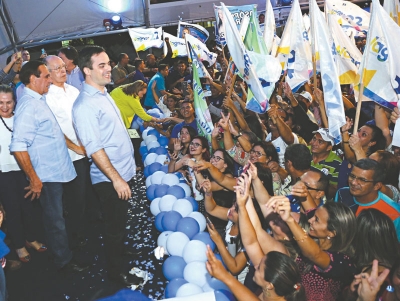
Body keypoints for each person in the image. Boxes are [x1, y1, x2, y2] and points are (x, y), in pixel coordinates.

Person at [10, 61, 87, 272]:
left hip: (55, 171)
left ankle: (64, 253)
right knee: (55, 221)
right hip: (46, 176)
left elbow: (51, 132)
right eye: (46, 76)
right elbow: (18, 146)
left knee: (58, 218)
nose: (50, 80)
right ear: (33, 79)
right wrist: (34, 179)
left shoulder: (38, 99)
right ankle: (63, 261)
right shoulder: (28, 105)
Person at [72, 46, 140, 286]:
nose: (108, 68)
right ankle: (115, 274)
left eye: (108, 63)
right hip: (110, 179)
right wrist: (116, 179)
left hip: (122, 172)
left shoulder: (103, 93)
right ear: (86, 71)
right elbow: (94, 148)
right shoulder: (84, 106)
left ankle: (121, 253)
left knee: (119, 224)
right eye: (101, 65)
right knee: (113, 229)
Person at [267, 195, 357, 301]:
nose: (310, 220)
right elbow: (308, 205)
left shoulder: (342, 260)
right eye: (314, 216)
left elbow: (315, 255)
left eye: (316, 220)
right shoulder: (313, 236)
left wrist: (290, 220)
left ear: (331, 233)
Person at [44, 55, 89, 249]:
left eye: (63, 67)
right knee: (62, 204)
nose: (63, 71)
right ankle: (67, 241)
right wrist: (76, 147)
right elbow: (55, 130)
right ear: (47, 73)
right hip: (62, 157)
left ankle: (80, 233)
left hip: (81, 154)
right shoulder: (46, 96)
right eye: (57, 68)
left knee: (80, 197)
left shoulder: (73, 90)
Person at [0, 84, 46, 262]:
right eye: (1, 102)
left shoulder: (21, 118)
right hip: (4, 173)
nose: (5, 106)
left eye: (9, 102)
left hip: (24, 170)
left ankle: (31, 238)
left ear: (15, 102)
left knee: (30, 207)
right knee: (12, 210)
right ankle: (19, 245)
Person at [206, 247, 306, 301]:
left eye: (259, 269)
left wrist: (224, 276)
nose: (255, 266)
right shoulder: (271, 290)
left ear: (269, 285)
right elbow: (251, 242)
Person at [335, 158, 400, 240]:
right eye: (352, 176)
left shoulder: (394, 212)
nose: (353, 182)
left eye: (362, 180)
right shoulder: (342, 193)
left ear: (377, 185)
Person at [309, 128, 342, 198]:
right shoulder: (305, 151)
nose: (314, 143)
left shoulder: (337, 164)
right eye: (314, 139)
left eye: (320, 142)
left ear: (329, 147)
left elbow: (333, 191)